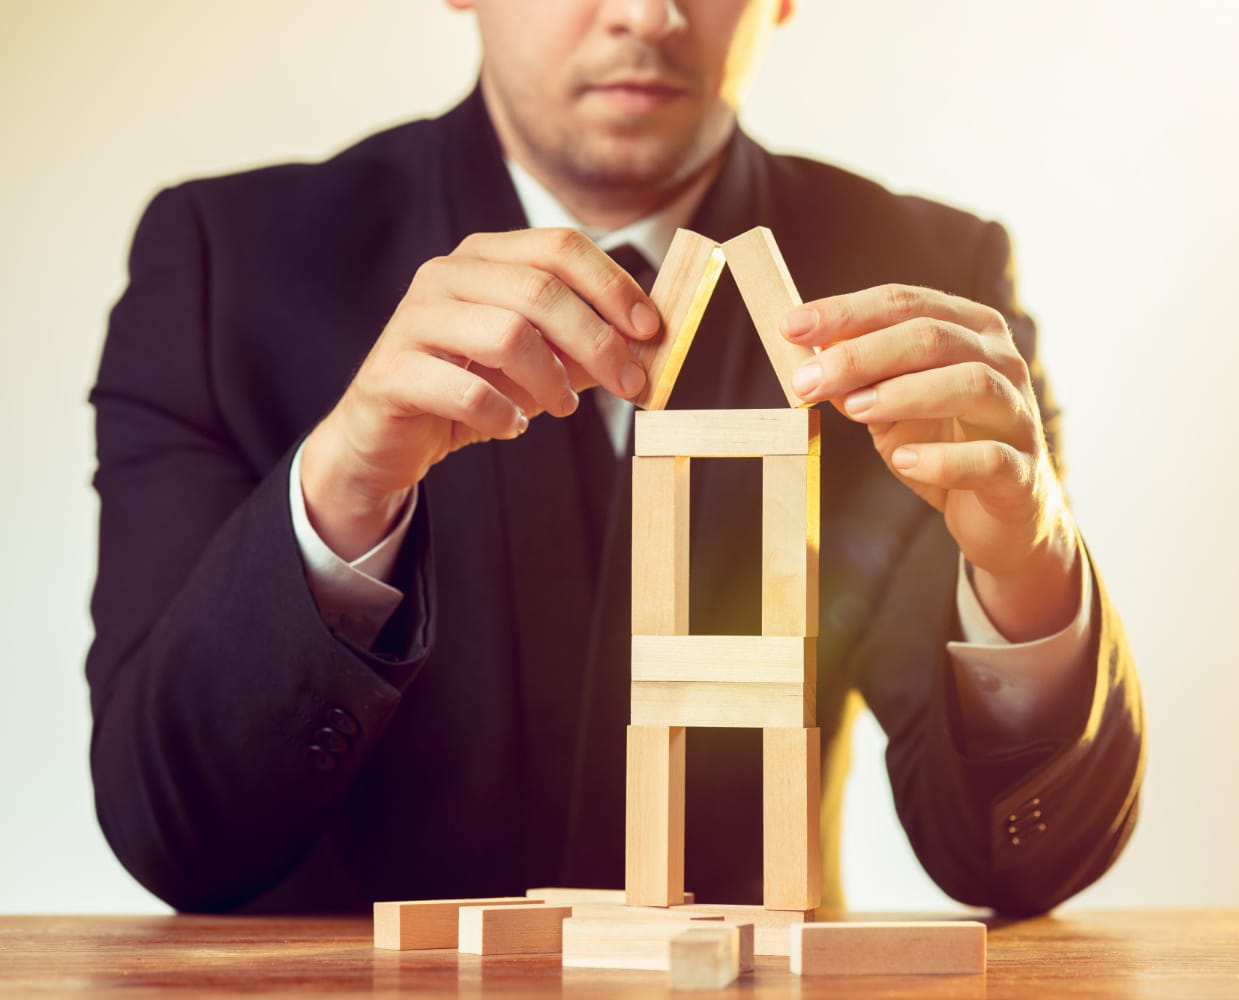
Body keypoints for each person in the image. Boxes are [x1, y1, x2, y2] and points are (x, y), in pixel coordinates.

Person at [88, 0, 1144, 915]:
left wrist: (1032, 568)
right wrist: (349, 480)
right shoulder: (224, 265)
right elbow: (173, 833)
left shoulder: (927, 278)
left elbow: (1020, 860)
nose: (649, 14)